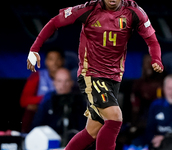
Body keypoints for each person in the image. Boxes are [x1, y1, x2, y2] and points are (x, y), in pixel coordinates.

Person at [26, 0, 164, 149]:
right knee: (115, 117)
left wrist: (156, 59)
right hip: (91, 75)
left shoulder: (134, 12)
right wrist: (34, 49)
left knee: (92, 131)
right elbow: (54, 22)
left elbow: (152, 40)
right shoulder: (88, 9)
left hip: (113, 78)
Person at [31, 68, 87, 145]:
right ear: (54, 83)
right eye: (59, 81)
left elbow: (85, 128)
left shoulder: (80, 102)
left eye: (66, 81)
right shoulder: (47, 102)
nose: (63, 85)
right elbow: (36, 126)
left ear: (71, 83)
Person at [21, 48, 65, 133]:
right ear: (45, 61)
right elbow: (24, 100)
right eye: (51, 59)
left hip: (63, 112)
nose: (55, 63)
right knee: (31, 107)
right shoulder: (38, 76)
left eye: (58, 59)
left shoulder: (68, 76)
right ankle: (27, 135)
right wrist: (47, 99)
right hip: (43, 112)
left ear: (63, 61)